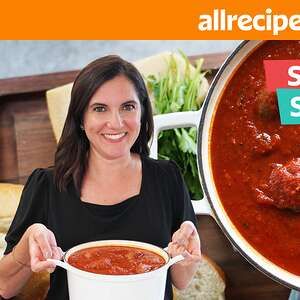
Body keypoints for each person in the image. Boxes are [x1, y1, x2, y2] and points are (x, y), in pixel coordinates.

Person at [0, 55, 201, 299]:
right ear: (81, 119)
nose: (115, 123)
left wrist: (187, 253)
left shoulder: (167, 177)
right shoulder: (47, 185)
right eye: (99, 108)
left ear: (142, 112)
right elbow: (5, 287)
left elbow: (181, 279)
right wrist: (28, 241)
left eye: (128, 107)